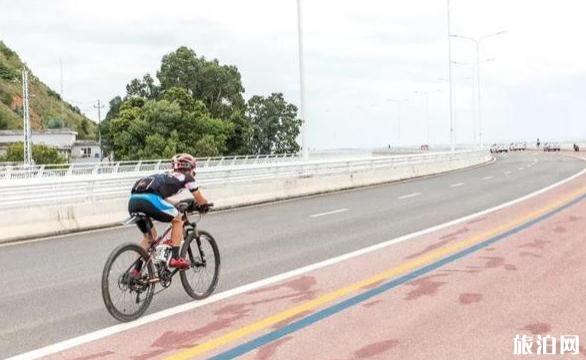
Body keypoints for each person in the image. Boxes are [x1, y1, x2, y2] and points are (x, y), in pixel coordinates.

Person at [127, 153, 209, 275]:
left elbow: (161, 198)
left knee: (150, 237)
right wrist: (205, 206)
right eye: (194, 170)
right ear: (190, 168)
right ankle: (175, 258)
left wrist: (175, 204)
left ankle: (136, 271)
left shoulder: (166, 175)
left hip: (134, 201)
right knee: (177, 219)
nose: (194, 173)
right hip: (150, 199)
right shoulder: (187, 177)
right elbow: (200, 199)